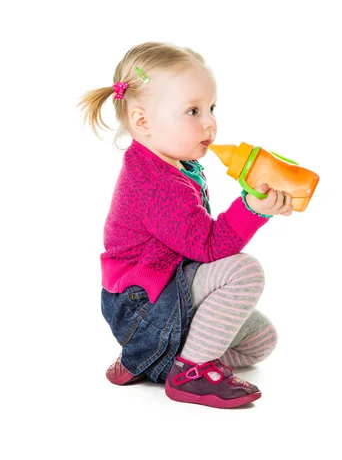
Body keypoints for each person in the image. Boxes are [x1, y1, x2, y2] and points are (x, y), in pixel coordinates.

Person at [76, 41, 293, 409]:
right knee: (244, 272)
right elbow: (209, 248)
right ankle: (188, 370)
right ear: (142, 121)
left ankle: (150, 359)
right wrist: (251, 209)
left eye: (211, 108)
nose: (209, 122)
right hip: (145, 307)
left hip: (166, 292)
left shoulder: (169, 163)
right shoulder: (157, 183)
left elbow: (194, 247)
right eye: (192, 111)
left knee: (261, 341)